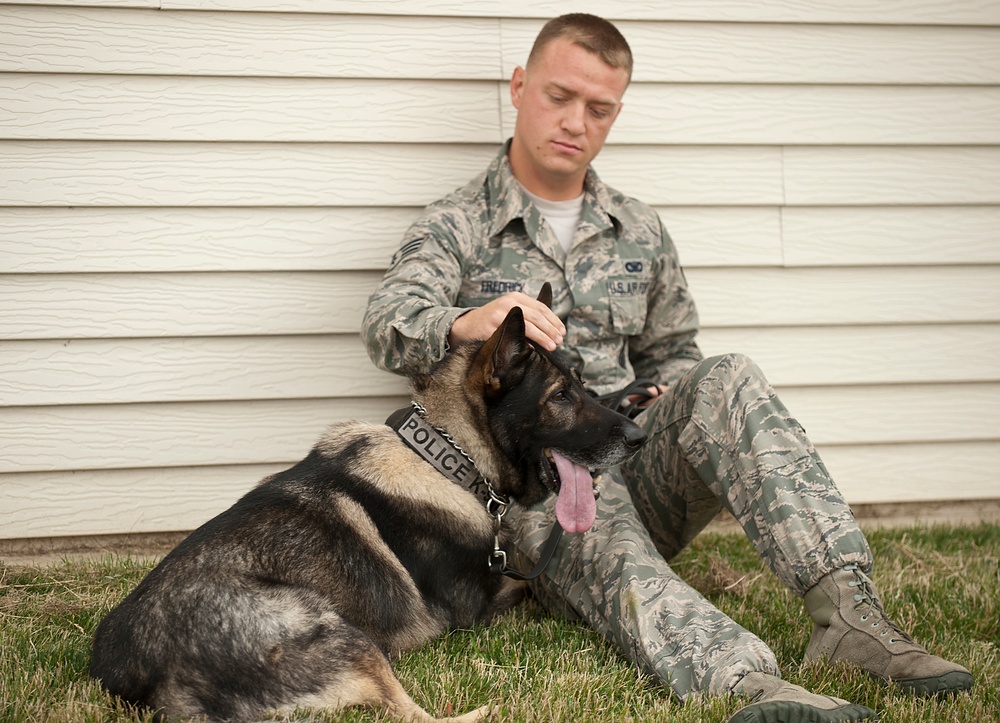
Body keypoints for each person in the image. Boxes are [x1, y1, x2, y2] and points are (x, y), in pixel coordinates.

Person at [361, 13, 973, 723]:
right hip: (527, 495)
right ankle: (739, 680)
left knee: (728, 374)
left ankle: (850, 619)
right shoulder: (456, 224)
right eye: (559, 96)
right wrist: (467, 322)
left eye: (599, 108)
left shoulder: (638, 228)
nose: (575, 121)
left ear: (616, 112)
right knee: (594, 505)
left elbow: (676, 350)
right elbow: (386, 324)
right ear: (520, 86)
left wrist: (661, 390)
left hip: (630, 454)